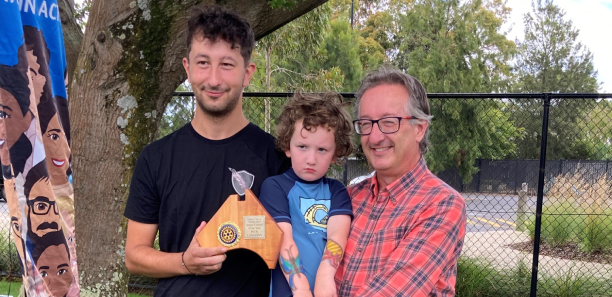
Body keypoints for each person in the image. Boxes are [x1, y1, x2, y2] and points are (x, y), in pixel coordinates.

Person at [124, 5, 290, 297]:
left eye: (226, 64)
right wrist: (185, 263)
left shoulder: (276, 157)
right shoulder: (156, 158)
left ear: (247, 73)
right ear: (188, 69)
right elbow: (135, 256)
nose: (213, 79)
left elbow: (295, 249)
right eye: (203, 63)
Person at [335, 67, 466, 297]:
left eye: (388, 122)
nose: (374, 137)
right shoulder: (348, 197)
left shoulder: (442, 205)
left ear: (419, 128)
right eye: (366, 124)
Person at [260, 93, 353, 297]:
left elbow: (337, 236)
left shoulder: (337, 191)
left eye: (322, 149)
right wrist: (301, 289)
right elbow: (283, 240)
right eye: (302, 147)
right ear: (287, 147)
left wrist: (325, 278)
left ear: (335, 154)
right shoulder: (274, 187)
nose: (311, 159)